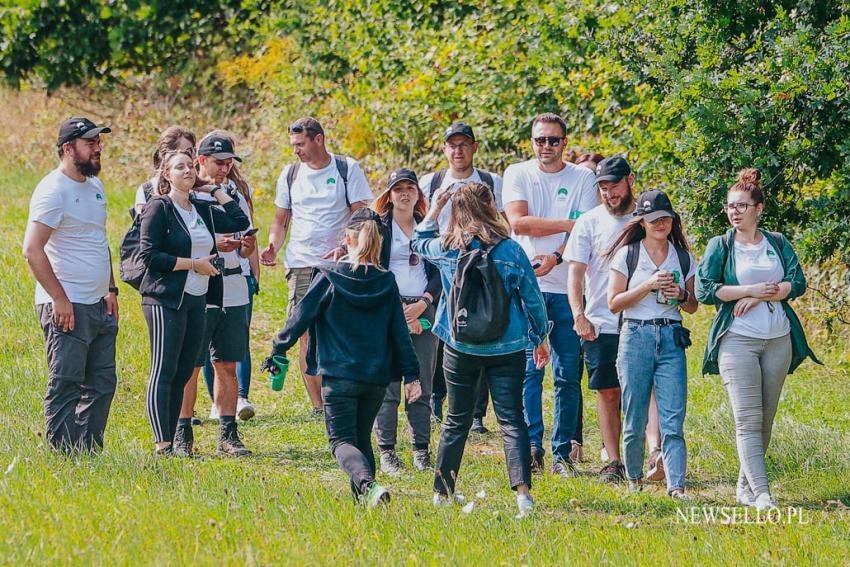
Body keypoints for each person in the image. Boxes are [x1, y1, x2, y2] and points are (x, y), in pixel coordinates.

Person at [263, 208, 420, 506]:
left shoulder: (329, 276)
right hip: (375, 379)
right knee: (362, 440)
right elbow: (400, 333)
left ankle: (369, 486)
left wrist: (278, 349)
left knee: (341, 442)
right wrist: (411, 375)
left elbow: (300, 317)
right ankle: (365, 506)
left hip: (339, 377)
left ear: (347, 238)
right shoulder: (387, 282)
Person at [412, 181, 550, 517]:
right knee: (512, 419)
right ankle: (523, 497)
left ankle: (442, 493)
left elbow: (417, 241)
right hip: (507, 346)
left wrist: (434, 208)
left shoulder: (447, 248)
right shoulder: (511, 250)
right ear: (491, 206)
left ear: (455, 211)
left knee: (456, 420)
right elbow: (533, 299)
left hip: (461, 346)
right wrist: (539, 339)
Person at [696, 168, 819, 511]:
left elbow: (797, 282)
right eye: (730, 207)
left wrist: (764, 297)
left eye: (742, 206)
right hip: (738, 340)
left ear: (758, 208)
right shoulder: (720, 245)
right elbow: (705, 290)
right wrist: (748, 291)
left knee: (765, 419)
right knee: (747, 419)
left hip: (778, 339)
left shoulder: (776, 242)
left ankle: (744, 487)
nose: (735, 212)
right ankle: (763, 493)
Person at [502, 112, 599, 477]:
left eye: (554, 140)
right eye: (540, 140)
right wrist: (569, 223)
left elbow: (587, 233)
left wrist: (557, 255)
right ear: (532, 142)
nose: (546, 147)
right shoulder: (518, 173)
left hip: (568, 286)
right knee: (529, 370)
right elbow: (518, 223)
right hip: (526, 287)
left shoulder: (583, 177)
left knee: (566, 374)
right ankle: (531, 447)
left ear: (565, 142)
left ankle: (561, 453)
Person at [138, 149, 249, 456]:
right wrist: (192, 264)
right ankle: (163, 444)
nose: (187, 171)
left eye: (190, 166)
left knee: (185, 367)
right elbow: (149, 256)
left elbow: (239, 219)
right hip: (165, 299)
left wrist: (212, 188)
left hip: (198, 298)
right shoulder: (159, 207)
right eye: (179, 167)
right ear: (166, 175)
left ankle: (173, 443)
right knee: (165, 368)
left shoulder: (201, 207)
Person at [261, 117, 373, 417]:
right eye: (293, 145)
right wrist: (274, 244)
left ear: (319, 139)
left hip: (339, 265)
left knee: (341, 329)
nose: (296, 150)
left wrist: (348, 246)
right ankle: (318, 406)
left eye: (300, 144)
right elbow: (280, 219)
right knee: (304, 332)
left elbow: (362, 215)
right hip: (301, 263)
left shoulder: (346, 169)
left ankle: (343, 394)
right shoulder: (290, 173)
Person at [23, 117, 118, 452]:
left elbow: (98, 241)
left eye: (98, 142)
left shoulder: (95, 187)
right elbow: (32, 250)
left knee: (103, 383)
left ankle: (87, 451)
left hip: (98, 303)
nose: (98, 148)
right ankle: (64, 455)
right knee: (67, 381)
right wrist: (59, 298)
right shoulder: (53, 190)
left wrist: (111, 289)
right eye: (90, 142)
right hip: (66, 305)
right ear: (68, 148)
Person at [607, 190, 698, 501]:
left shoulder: (683, 256)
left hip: (671, 336)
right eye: (653, 219)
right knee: (633, 414)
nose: (660, 224)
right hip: (635, 336)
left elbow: (693, 305)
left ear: (673, 220)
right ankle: (633, 480)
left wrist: (680, 295)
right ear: (642, 223)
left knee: (674, 416)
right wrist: (647, 285)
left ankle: (676, 486)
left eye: (665, 218)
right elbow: (614, 303)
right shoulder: (628, 255)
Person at [172, 132, 257, 457]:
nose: (225, 168)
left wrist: (247, 248)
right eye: (219, 163)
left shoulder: (234, 192)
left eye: (229, 163)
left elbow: (244, 228)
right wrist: (213, 243)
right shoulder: (184, 197)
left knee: (228, 362)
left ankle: (228, 433)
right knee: (191, 364)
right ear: (201, 161)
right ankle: (182, 433)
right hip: (200, 286)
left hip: (234, 282)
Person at [419, 122, 504, 429]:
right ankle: (436, 398)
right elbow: (421, 220)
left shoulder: (491, 181)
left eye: (463, 144)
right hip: (441, 262)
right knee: (442, 333)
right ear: (445, 149)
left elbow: (502, 220)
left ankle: (477, 414)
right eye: (452, 145)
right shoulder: (432, 182)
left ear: (474, 147)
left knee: (479, 329)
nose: (458, 150)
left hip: (480, 263)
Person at [565, 156, 635, 483]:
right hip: (601, 321)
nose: (609, 194)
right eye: (603, 188)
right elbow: (575, 274)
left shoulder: (645, 217)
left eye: (614, 186)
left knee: (641, 390)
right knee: (608, 392)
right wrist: (579, 315)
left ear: (630, 181)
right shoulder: (589, 222)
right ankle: (613, 461)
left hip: (642, 320)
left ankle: (651, 455)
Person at [372, 169, 441, 474]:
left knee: (422, 380)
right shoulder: (378, 227)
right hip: (389, 309)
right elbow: (371, 267)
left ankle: (421, 450)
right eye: (397, 188)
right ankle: (387, 451)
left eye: (409, 187)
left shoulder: (429, 228)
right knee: (388, 384)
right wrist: (397, 307)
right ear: (388, 195)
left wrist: (425, 302)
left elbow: (442, 272)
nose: (404, 193)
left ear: (418, 193)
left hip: (423, 307)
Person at [567, 150, 604, 462]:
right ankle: (574, 439)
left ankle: (610, 441)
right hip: (572, 298)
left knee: (607, 378)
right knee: (571, 373)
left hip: (605, 303)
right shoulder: (580, 213)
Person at [134, 126, 197, 216]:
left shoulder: (201, 186)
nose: (193, 156)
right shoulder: (148, 189)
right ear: (169, 155)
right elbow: (143, 226)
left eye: (193, 150)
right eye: (188, 151)